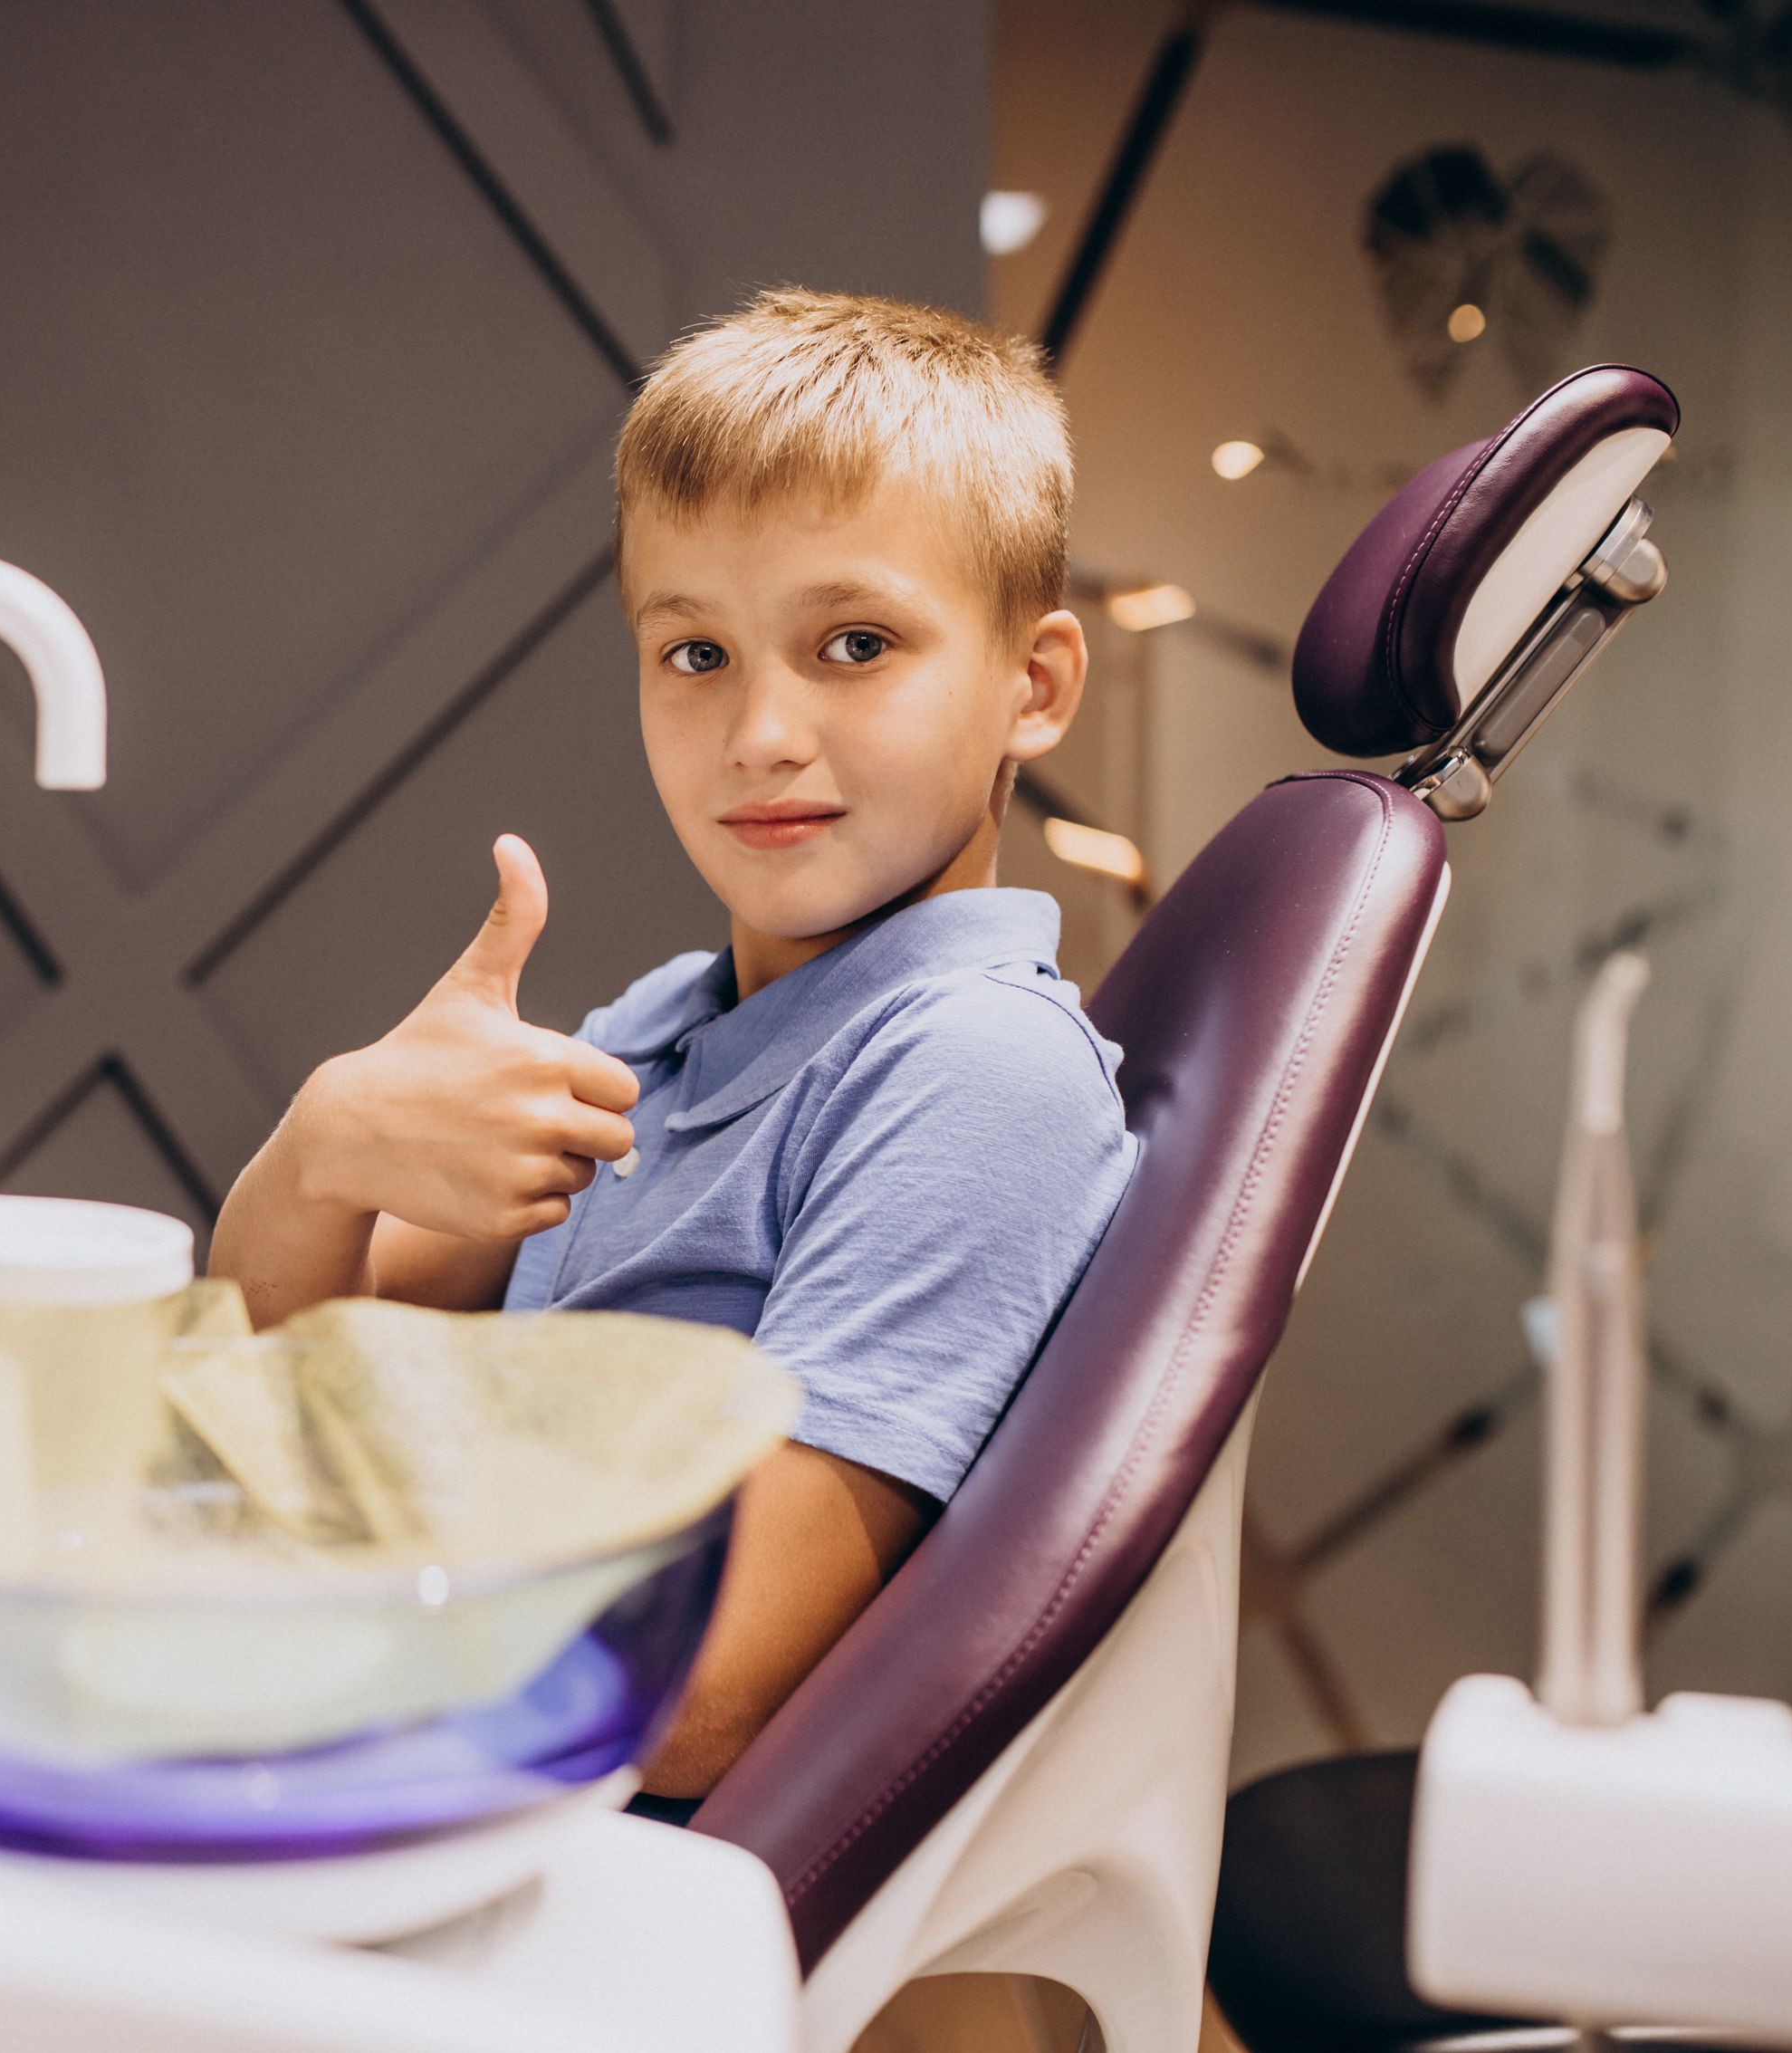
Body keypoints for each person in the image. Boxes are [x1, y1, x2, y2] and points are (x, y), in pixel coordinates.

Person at [207, 287, 1135, 1808]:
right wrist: (326, 1149)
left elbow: (694, 1688)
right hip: (337, 1686)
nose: (761, 729)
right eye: (694, 654)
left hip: (441, 1806)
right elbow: (266, 1416)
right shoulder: (661, 1030)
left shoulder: (973, 1072)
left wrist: (266, 1604)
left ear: (1029, 686)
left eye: (854, 643)